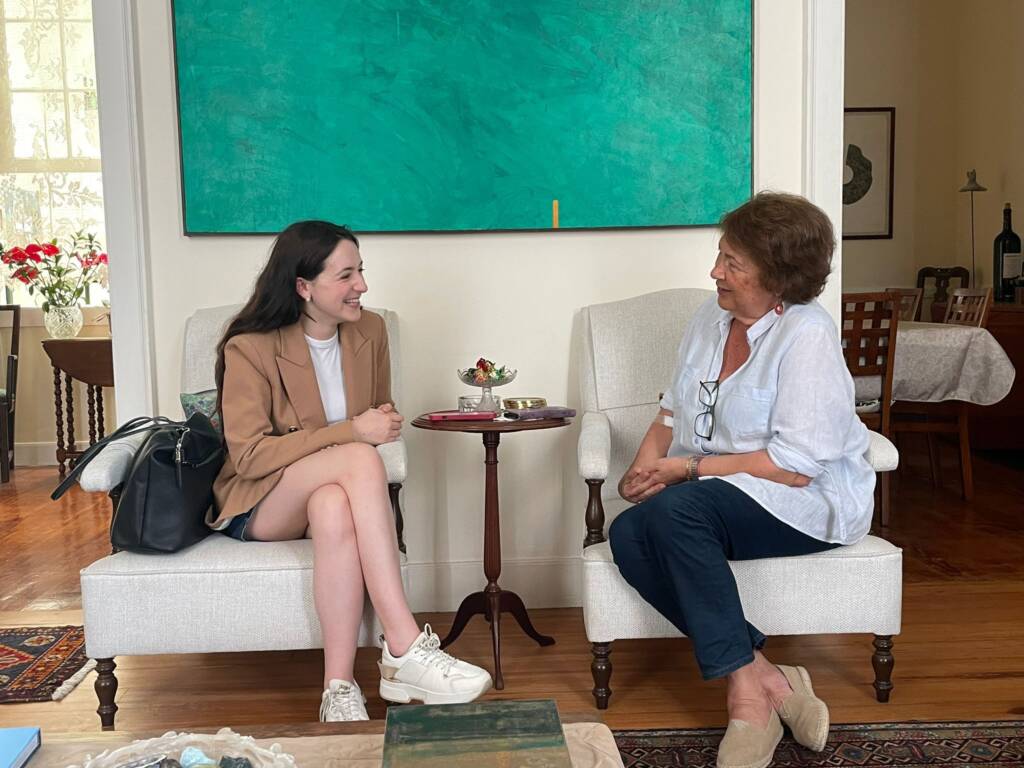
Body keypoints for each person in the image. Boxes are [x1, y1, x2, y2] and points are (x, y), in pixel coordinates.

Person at [608, 192, 873, 768]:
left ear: (778, 277)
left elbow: (794, 466)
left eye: (732, 262)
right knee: (627, 533)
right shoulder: (710, 318)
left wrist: (686, 469)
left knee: (677, 512)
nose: (715, 272)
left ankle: (746, 703)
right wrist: (645, 467)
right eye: (720, 256)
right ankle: (765, 675)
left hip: (805, 499)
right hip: (720, 493)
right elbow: (672, 411)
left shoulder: (806, 334)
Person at [212, 220, 491, 722]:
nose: (361, 285)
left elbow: (377, 415)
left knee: (333, 506)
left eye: (360, 271)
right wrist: (354, 432)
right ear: (304, 287)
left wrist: (380, 424)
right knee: (359, 457)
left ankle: (338, 689)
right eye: (345, 275)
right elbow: (249, 456)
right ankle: (403, 644)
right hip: (262, 500)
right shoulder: (249, 347)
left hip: (328, 489)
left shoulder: (371, 330)